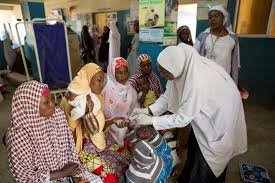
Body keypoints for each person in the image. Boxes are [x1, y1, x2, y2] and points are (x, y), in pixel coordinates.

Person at [130, 44, 247, 182]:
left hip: (219, 116)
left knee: (208, 159)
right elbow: (168, 96)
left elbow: (182, 118)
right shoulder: (182, 68)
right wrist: (148, 110)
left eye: (164, 72)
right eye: (161, 71)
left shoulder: (197, 81)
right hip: (205, 111)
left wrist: (151, 121)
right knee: (195, 146)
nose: (162, 75)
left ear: (174, 68)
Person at [5, 80, 102, 183]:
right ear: (30, 108)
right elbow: (25, 178)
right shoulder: (18, 137)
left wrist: (75, 177)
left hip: (67, 173)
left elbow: (70, 151)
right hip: (44, 180)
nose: (52, 104)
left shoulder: (57, 116)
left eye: (51, 99)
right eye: (46, 102)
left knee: (97, 180)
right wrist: (63, 173)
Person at [60, 63, 130, 183]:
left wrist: (112, 121)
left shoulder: (96, 98)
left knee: (126, 155)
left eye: (103, 81)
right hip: (81, 150)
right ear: (87, 80)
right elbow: (69, 138)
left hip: (99, 141)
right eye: (98, 80)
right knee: (109, 175)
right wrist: (86, 114)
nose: (101, 85)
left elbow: (98, 128)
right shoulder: (69, 103)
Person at [194, 5, 240, 84]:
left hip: (224, 79)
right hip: (205, 78)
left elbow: (236, 62)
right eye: (210, 17)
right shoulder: (203, 36)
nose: (213, 19)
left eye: (216, 16)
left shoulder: (232, 38)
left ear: (224, 18)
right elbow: (193, 56)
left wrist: (234, 83)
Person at [102, 57, 138, 147]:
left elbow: (135, 108)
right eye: (119, 73)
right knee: (121, 131)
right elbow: (106, 114)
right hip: (112, 126)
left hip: (128, 124)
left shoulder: (130, 89)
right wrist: (119, 122)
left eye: (126, 72)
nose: (124, 76)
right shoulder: (108, 91)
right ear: (113, 74)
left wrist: (131, 121)